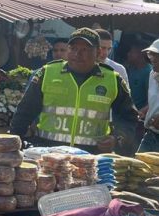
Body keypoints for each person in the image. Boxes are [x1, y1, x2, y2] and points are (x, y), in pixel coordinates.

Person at [10, 28, 139, 154]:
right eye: (73, 49)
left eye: (85, 49)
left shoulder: (113, 79)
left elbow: (129, 118)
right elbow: (23, 113)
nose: (78, 54)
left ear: (98, 53)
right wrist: (12, 146)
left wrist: (117, 139)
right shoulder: (47, 73)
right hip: (47, 155)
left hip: (90, 160)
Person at [138, 38, 159, 151]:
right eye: (152, 55)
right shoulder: (152, 74)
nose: (153, 59)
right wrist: (144, 111)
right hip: (150, 135)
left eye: (156, 55)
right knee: (139, 167)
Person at [126, 42, 152, 111]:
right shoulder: (131, 68)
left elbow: (151, 98)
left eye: (132, 52)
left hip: (138, 114)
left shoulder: (149, 73)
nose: (128, 54)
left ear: (141, 54)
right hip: (127, 110)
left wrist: (142, 112)